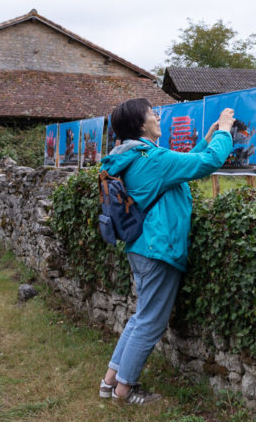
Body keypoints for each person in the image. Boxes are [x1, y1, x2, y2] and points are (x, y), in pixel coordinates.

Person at [99, 98, 234, 405]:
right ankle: (125, 389)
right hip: (158, 248)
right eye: (152, 114)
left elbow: (181, 168)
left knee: (140, 317)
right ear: (140, 124)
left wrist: (208, 138)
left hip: (143, 246)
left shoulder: (136, 156)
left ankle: (110, 382)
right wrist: (225, 131)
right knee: (151, 322)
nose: (157, 117)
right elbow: (207, 164)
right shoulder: (151, 159)